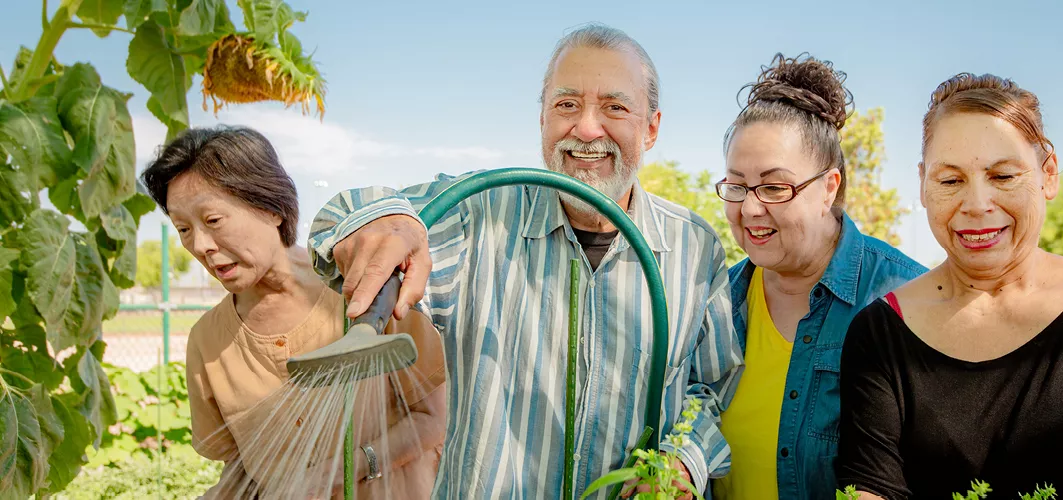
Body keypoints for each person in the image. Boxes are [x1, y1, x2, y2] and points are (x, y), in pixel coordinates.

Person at [306, 24, 743, 499]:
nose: (587, 128)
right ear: (542, 119)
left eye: (615, 107)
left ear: (651, 128)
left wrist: (684, 461)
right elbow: (346, 217)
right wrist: (387, 222)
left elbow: (711, 386)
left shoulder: (694, 249)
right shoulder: (480, 213)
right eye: (566, 104)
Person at [836, 73, 1063, 499]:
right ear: (923, 185)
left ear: (1048, 175)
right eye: (950, 181)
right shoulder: (878, 333)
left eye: (1003, 176)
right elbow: (870, 487)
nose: (977, 204)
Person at [140, 126, 448, 499]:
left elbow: (434, 418)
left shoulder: (367, 293)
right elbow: (239, 466)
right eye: (183, 229)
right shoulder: (208, 342)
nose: (200, 245)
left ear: (270, 209)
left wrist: (342, 472)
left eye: (213, 221)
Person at [710, 54, 925, 500]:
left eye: (774, 187)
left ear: (829, 187)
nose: (750, 209)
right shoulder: (717, 301)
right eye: (736, 185)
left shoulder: (906, 298)